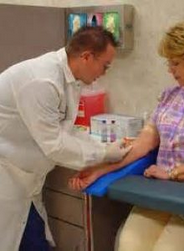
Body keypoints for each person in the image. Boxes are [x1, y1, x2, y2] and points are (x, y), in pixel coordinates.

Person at [69, 21, 184, 251]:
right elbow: (142, 145)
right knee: (128, 245)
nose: (170, 70)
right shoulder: (169, 96)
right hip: (163, 195)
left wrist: (172, 173)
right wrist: (100, 169)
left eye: (176, 63)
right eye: (169, 63)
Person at [0, 26, 131, 251]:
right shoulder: (42, 81)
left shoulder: (69, 79)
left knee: (32, 238)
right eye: (105, 65)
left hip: (23, 180)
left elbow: (67, 130)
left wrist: (103, 146)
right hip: (7, 178)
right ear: (87, 56)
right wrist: (105, 154)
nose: (105, 72)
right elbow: (55, 145)